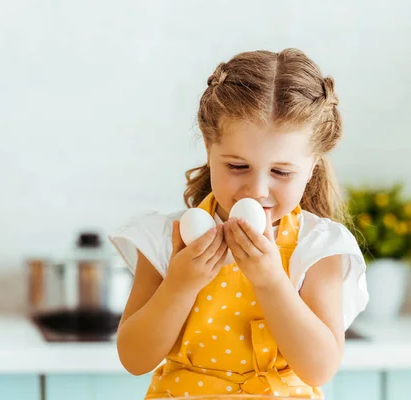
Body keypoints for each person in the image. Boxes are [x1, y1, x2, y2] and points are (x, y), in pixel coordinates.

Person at [108, 48, 368, 399]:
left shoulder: (318, 247)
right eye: (237, 166)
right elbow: (134, 358)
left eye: (281, 172)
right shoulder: (166, 239)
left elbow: (319, 368)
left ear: (312, 166)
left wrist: (272, 282)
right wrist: (180, 284)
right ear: (208, 146)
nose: (256, 191)